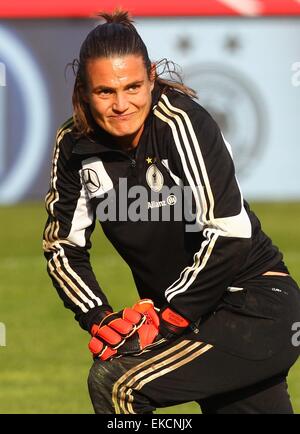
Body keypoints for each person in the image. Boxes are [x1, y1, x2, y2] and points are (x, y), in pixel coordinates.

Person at [43, 10, 300, 414]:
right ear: (83, 91)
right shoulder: (73, 146)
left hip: (254, 307)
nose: (121, 104)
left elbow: (229, 232)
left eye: (133, 87)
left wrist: (169, 317)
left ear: (150, 76)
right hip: (195, 319)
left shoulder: (182, 122)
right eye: (105, 92)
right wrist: (98, 316)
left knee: (117, 384)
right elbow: (62, 246)